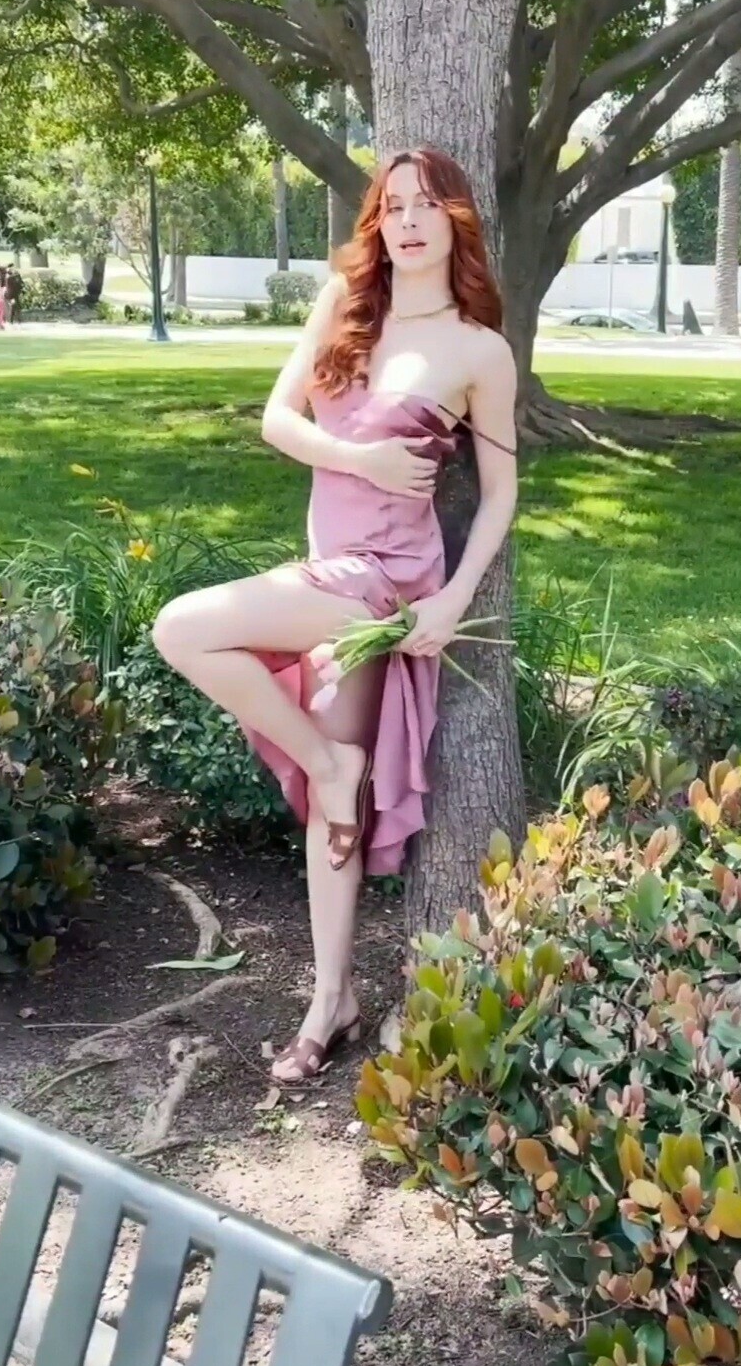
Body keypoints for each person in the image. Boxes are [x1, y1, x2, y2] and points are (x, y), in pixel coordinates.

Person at [152, 149, 518, 1085]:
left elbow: (502, 495)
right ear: (377, 223)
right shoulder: (343, 303)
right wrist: (359, 461)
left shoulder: (479, 349)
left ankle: (325, 786)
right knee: (331, 777)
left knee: (184, 627)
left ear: (456, 222)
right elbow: (278, 420)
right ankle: (335, 998)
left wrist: (452, 599)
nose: (408, 222)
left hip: (386, 580)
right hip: (327, 570)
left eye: (426, 206)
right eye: (392, 207)